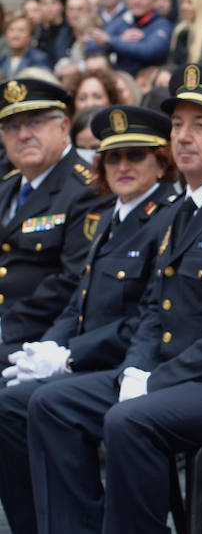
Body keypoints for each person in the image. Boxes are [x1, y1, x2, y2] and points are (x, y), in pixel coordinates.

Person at [26, 63, 202, 534]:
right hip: (186, 376)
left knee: (129, 421)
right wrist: (138, 368)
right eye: (177, 125)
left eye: (201, 125)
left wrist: (156, 381)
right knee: (50, 404)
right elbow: (155, 308)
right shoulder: (185, 210)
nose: (183, 137)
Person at [0, 105, 180, 534]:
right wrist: (46, 347)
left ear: (161, 159)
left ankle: (78, 525)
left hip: (128, 361)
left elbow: (145, 318)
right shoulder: (114, 218)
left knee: (42, 403)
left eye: (135, 155)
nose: (122, 166)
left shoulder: (168, 218)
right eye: (112, 157)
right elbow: (76, 304)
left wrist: (68, 356)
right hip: (95, 356)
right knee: (9, 400)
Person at [0, 79, 102, 352]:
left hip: (36, 337)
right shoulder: (7, 186)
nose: (23, 135)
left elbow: (72, 281)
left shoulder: (87, 190)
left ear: (64, 126)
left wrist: (4, 327)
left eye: (34, 123)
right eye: (12, 126)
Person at [87, 0, 173, 76]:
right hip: (122, 82)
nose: (137, 0)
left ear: (153, 0)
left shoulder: (162, 24)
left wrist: (112, 41)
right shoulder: (123, 21)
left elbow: (149, 51)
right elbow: (91, 46)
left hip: (149, 83)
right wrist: (119, 39)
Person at [32, 0, 71, 64]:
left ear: (62, 6)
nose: (49, 8)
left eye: (54, 2)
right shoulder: (36, 31)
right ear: (38, 7)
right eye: (44, 3)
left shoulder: (70, 29)